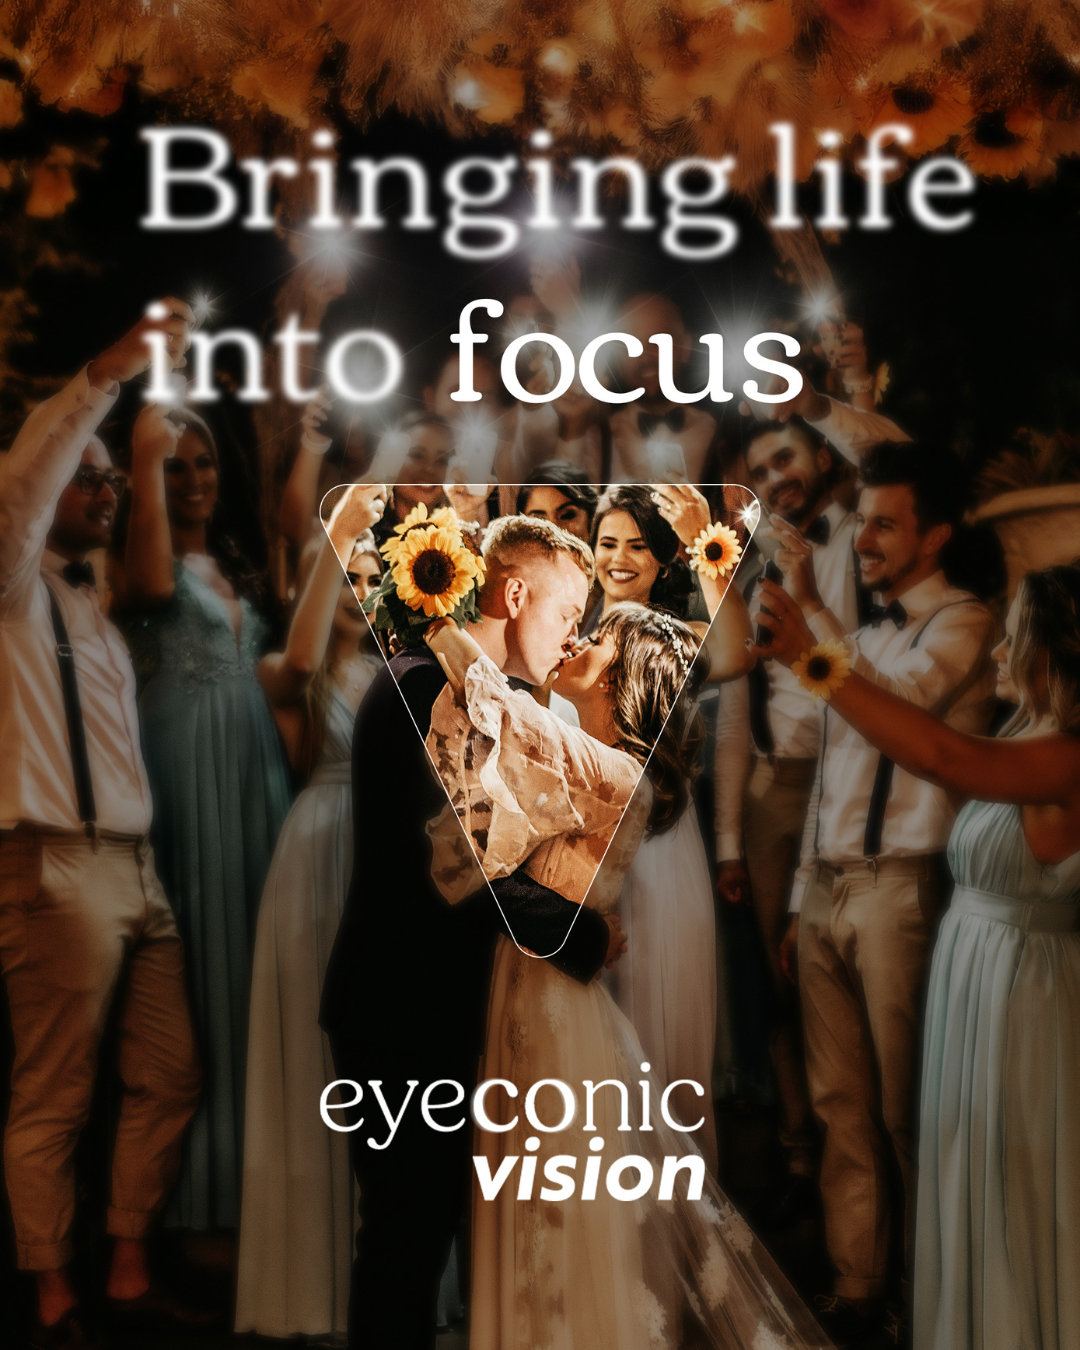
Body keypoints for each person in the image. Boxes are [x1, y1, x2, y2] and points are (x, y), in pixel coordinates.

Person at [422, 605, 829, 1350]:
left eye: (601, 637)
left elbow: (490, 724)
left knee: (554, 1191)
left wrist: (433, 611)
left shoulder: (611, 772)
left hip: (552, 1000)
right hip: (532, 986)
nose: (579, 638)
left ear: (622, 678)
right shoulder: (584, 753)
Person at [751, 561, 1080, 1350]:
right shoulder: (1021, 735)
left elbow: (936, 754)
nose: (997, 652)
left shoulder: (1069, 758)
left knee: (1012, 1182)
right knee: (966, 1168)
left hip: (1023, 999)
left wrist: (811, 659)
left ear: (1054, 654)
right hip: (977, 986)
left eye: (1013, 637)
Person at [320, 514, 627, 1350]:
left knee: (425, 1234)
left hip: (430, 1009)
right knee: (405, 1239)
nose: (573, 636)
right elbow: (459, 865)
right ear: (514, 594)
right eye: (567, 613)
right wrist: (584, 935)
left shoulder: (468, 689)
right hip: (401, 1013)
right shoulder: (426, 688)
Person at [0, 302, 205, 1347]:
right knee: (58, 1092)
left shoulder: (93, 601)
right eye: (92, 476)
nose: (107, 488)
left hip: (137, 868)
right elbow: (26, 478)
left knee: (169, 1073)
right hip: (53, 863)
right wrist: (112, 373)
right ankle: (51, 1293)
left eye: (113, 478)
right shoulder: (10, 582)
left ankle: (126, 1266)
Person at [764, 443, 998, 1344]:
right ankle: (857, 1283)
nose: (863, 538)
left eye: (885, 524)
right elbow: (829, 773)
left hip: (904, 890)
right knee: (839, 1106)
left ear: (934, 537)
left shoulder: (964, 623)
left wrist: (812, 642)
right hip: (830, 888)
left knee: (908, 1112)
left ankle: (929, 1296)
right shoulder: (856, 641)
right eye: (862, 520)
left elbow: (900, 703)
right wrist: (799, 901)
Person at [114, 402, 293, 1239]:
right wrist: (145, 451)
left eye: (204, 462)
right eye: (174, 466)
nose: (193, 479)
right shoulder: (139, 562)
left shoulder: (235, 566)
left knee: (257, 966)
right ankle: (202, 1207)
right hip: (186, 773)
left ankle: (265, 1196)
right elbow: (154, 588)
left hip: (253, 772)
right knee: (203, 980)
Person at [235, 487, 386, 1340]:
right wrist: (340, 534)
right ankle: (307, 1288)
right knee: (313, 1056)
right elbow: (298, 658)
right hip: (316, 856)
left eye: (371, 576)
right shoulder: (287, 672)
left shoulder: (400, 674)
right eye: (346, 575)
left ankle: (382, 1280)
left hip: (384, 868)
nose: (361, 588)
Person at [714, 417, 867, 1214]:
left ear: (823, 457)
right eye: (761, 471)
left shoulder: (864, 543)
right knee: (781, 983)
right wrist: (730, 839)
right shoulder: (751, 569)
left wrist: (831, 395)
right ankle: (800, 1157)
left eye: (786, 459)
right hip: (776, 787)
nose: (776, 479)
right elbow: (737, 707)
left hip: (856, 768)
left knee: (842, 977)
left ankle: (858, 1172)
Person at [589, 482, 754, 1170]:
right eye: (607, 543)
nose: (619, 558)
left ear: (662, 560)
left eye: (638, 546)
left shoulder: (672, 637)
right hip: (586, 855)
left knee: (663, 1034)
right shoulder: (566, 632)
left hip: (661, 852)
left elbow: (738, 652)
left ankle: (673, 1212)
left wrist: (705, 545)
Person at [607, 293, 725, 484]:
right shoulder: (599, 436)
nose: (644, 357)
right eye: (630, 345)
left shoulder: (719, 432)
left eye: (657, 342)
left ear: (685, 348)